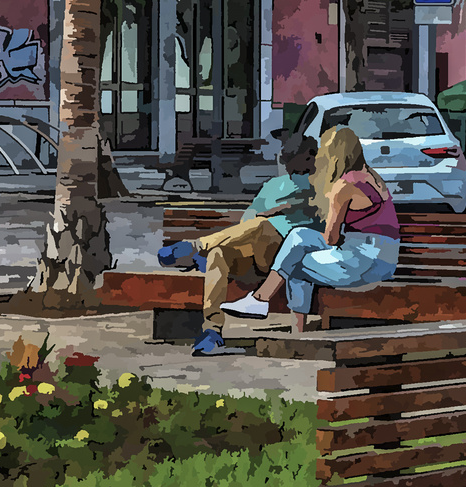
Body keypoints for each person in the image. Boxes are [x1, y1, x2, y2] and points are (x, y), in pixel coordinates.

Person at [156, 131, 322, 356]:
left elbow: (321, 222)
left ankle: (196, 247)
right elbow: (248, 218)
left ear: (310, 157)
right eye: (287, 157)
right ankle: (212, 332)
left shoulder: (319, 186)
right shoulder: (273, 185)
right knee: (219, 254)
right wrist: (267, 213)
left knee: (261, 226)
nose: (287, 162)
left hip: (282, 258)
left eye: (295, 157)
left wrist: (281, 210)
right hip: (253, 255)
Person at [223, 127, 400, 332]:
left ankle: (275, 312)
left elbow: (331, 239)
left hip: (362, 262)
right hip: (386, 261)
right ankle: (264, 304)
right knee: (298, 239)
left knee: (295, 263)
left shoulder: (343, 186)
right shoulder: (373, 177)